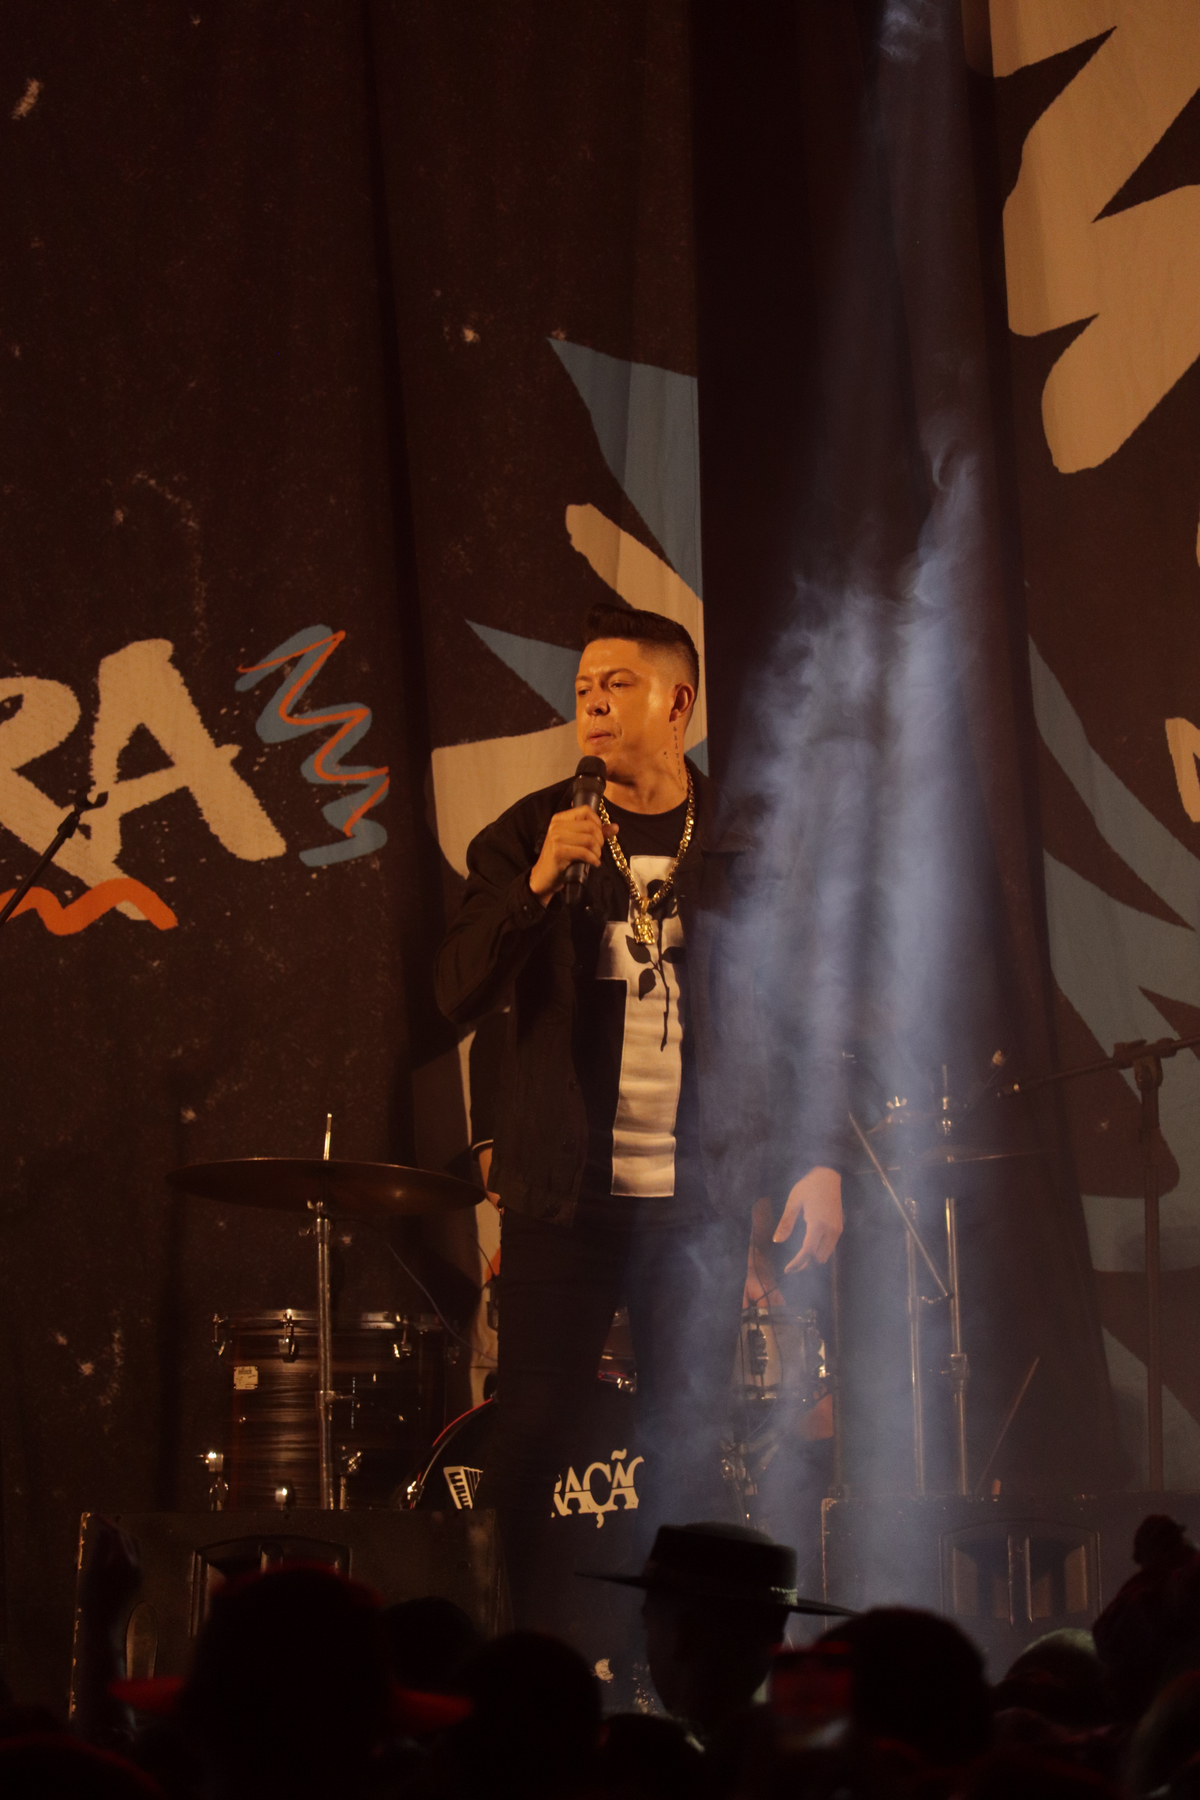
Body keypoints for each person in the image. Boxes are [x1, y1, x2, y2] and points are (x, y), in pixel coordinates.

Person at [435, 601, 846, 1622]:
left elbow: (804, 1007)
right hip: (562, 1195)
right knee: (530, 1433)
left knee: (690, 1444)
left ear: (677, 703)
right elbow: (455, 990)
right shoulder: (529, 833)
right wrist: (539, 884)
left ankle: (682, 1663)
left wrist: (819, 1154)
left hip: (694, 1200)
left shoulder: (749, 839)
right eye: (582, 689)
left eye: (616, 685)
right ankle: (516, 1655)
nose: (592, 705)